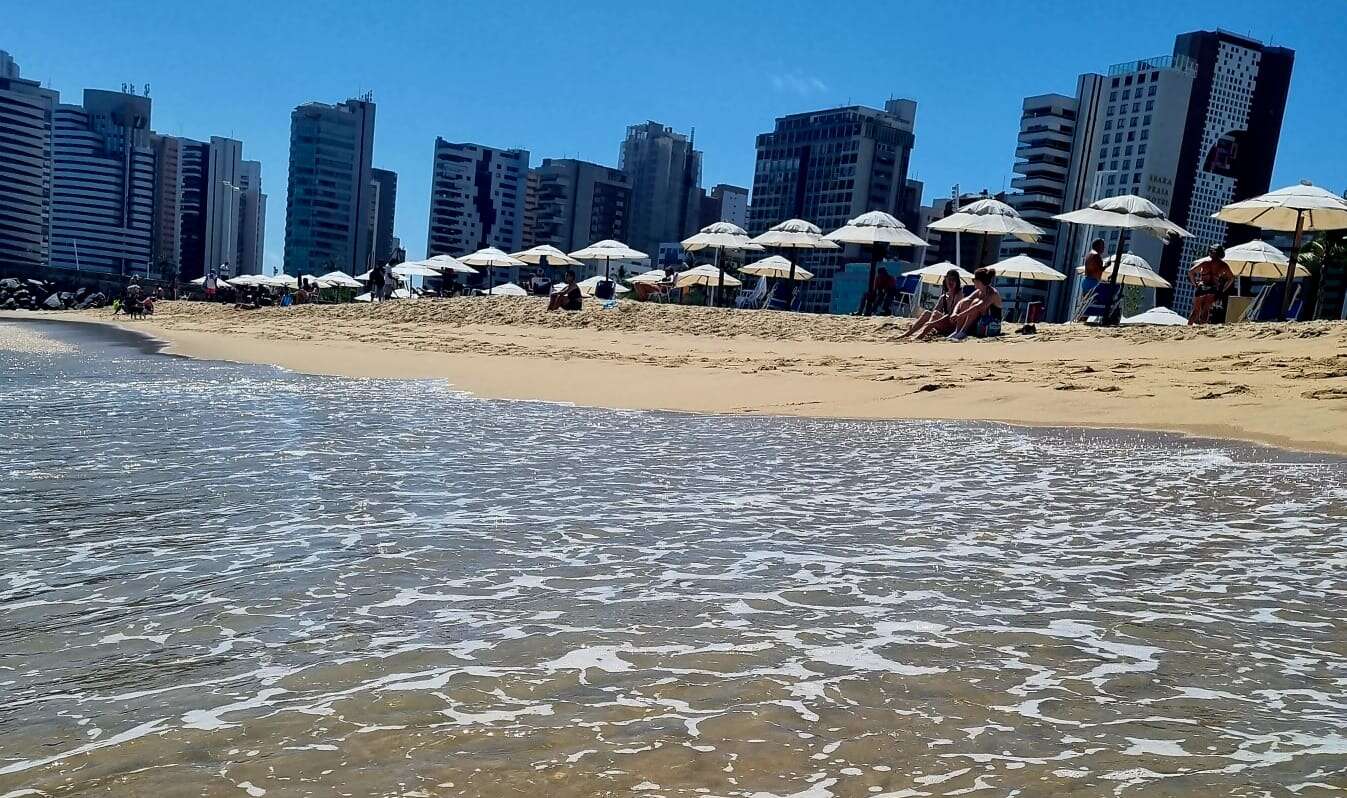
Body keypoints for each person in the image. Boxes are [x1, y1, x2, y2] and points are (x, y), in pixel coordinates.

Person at [903, 270, 966, 339]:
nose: (951, 282)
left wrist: (932, 323)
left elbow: (951, 316)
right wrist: (930, 322)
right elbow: (934, 312)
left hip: (953, 327)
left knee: (935, 314)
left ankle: (921, 334)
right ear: (946, 280)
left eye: (953, 280)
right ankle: (908, 333)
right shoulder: (943, 297)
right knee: (927, 313)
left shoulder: (959, 295)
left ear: (957, 282)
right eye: (949, 280)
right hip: (943, 324)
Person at [945, 267, 1003, 341]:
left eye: (974, 280)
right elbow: (961, 302)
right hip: (981, 323)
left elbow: (978, 307)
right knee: (966, 302)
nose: (973, 282)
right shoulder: (979, 291)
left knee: (976, 302)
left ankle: (963, 331)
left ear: (979, 281)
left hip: (992, 326)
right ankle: (958, 331)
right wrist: (954, 313)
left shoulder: (992, 294)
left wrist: (959, 315)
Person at [1188, 245, 1235, 325]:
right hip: (1213, 288)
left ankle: (1188, 327)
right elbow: (1231, 278)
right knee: (1206, 309)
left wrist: (1195, 283)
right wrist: (1223, 289)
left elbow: (1190, 272)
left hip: (1202, 286)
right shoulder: (1223, 265)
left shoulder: (1205, 263)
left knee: (1196, 310)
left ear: (1212, 253)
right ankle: (1202, 327)